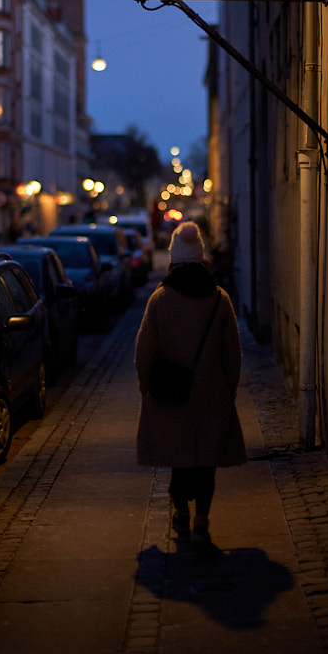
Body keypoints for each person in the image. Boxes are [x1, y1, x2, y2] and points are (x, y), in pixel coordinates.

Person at [134, 221, 247, 550]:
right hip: (211, 395)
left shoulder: (159, 300)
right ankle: (202, 522)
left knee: (179, 461)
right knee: (206, 464)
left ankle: (181, 513)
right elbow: (232, 352)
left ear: (173, 258)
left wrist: (146, 388)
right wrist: (229, 389)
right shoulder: (219, 299)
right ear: (200, 259)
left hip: (172, 396)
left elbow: (144, 352)